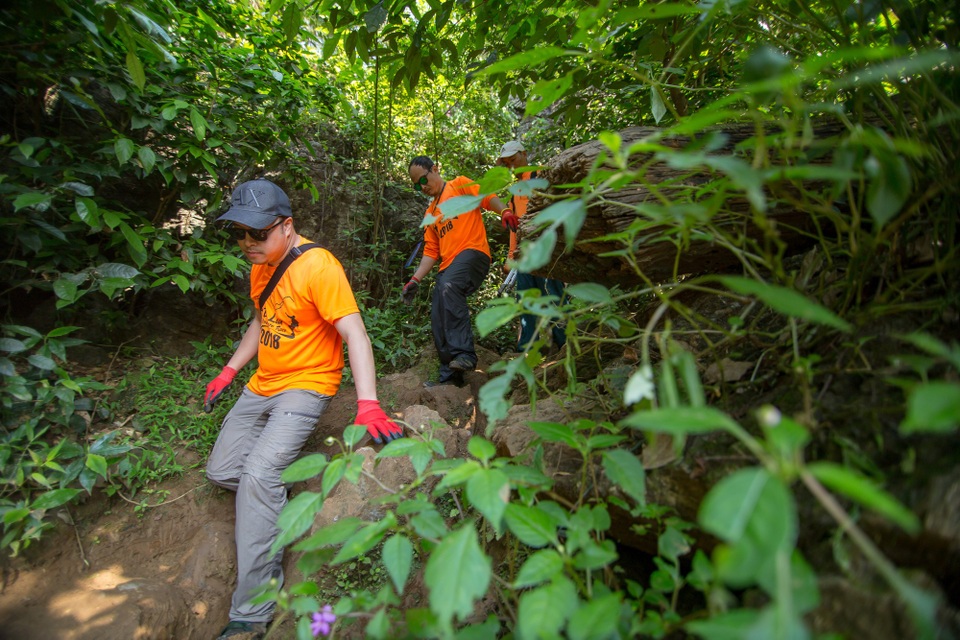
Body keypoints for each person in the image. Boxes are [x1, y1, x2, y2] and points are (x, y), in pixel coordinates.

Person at [202, 178, 404, 640]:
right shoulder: (261, 264)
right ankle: (273, 505)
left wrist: (368, 404)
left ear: (287, 226)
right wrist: (230, 371)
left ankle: (252, 613)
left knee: (257, 476)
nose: (247, 243)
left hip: (306, 385)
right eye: (241, 234)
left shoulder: (319, 267)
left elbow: (355, 333)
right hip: (262, 384)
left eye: (258, 233)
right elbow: (261, 321)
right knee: (222, 471)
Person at [401, 156, 515, 387]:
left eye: (423, 179)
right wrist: (415, 279)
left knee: (448, 286)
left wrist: (503, 211)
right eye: (416, 185)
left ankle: (466, 354)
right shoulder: (430, 214)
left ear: (435, 169)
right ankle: (450, 379)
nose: (422, 187)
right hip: (448, 265)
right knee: (438, 313)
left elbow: (487, 198)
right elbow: (431, 251)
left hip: (473, 254)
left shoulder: (459, 185)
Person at [496, 141, 567, 352]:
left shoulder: (541, 176)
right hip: (524, 255)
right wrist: (511, 258)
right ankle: (526, 349)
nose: (512, 166)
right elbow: (513, 229)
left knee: (552, 294)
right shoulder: (513, 194)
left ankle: (565, 343)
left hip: (546, 248)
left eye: (514, 160)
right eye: (507, 163)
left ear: (524, 154)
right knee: (526, 299)